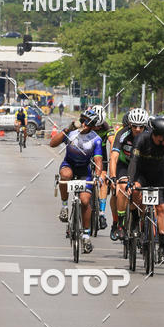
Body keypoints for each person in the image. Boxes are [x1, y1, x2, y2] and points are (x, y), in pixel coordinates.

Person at [50, 108, 103, 254]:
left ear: (92, 126)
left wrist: (98, 176)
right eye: (83, 120)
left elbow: (98, 160)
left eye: (89, 123)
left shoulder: (96, 139)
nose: (85, 124)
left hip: (83, 171)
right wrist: (67, 129)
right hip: (69, 165)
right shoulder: (72, 132)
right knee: (65, 176)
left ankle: (86, 235)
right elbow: (52, 144)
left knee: (85, 201)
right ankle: (65, 206)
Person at [126, 116, 164, 262]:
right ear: (157, 135)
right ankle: (135, 218)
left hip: (158, 175)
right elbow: (134, 161)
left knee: (161, 208)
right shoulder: (141, 139)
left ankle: (162, 244)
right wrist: (130, 181)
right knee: (135, 190)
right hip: (141, 174)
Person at [109, 108, 149, 240]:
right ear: (129, 125)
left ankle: (138, 218)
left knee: (139, 192)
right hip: (124, 165)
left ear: (145, 126)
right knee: (123, 188)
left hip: (142, 166)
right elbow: (114, 157)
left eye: (141, 126)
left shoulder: (150, 135)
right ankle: (120, 224)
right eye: (134, 126)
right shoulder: (122, 134)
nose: (137, 129)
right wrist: (113, 178)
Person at [90, 105, 113, 229]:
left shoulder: (106, 124)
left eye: (100, 125)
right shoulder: (86, 120)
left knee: (103, 180)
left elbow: (112, 141)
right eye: (95, 125)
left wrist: (113, 156)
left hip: (101, 151)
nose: (98, 128)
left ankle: (102, 214)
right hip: (88, 149)